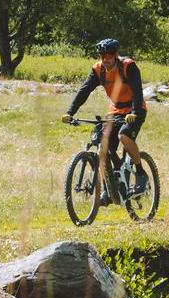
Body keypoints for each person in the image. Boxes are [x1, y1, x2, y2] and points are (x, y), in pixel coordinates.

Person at [62, 38, 147, 205]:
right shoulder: (98, 70)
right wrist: (70, 112)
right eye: (102, 55)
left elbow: (138, 91)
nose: (105, 58)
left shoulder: (128, 66)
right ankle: (109, 190)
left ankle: (140, 173)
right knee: (103, 147)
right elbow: (84, 91)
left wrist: (135, 112)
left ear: (115, 55)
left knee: (124, 135)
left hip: (135, 109)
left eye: (109, 55)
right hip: (115, 111)